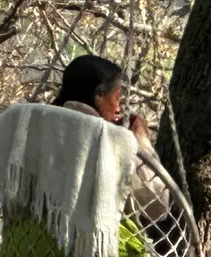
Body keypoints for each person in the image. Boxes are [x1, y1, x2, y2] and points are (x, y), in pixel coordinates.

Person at [52, 55, 171, 222]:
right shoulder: (107, 141)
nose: (118, 107)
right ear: (99, 95)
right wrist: (140, 142)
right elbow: (158, 205)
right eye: (116, 97)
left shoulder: (44, 124)